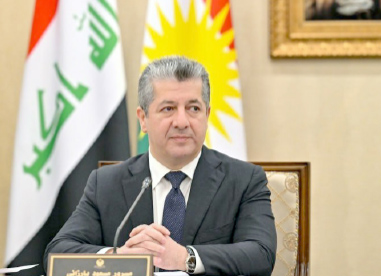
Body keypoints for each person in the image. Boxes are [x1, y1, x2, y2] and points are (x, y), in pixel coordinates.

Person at [45, 56, 277, 276]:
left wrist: (186, 258)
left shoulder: (244, 180)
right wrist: (118, 258)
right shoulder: (106, 183)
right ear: (143, 119)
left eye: (193, 108)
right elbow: (57, 254)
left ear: (207, 115)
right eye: (168, 109)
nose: (182, 122)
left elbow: (261, 255)